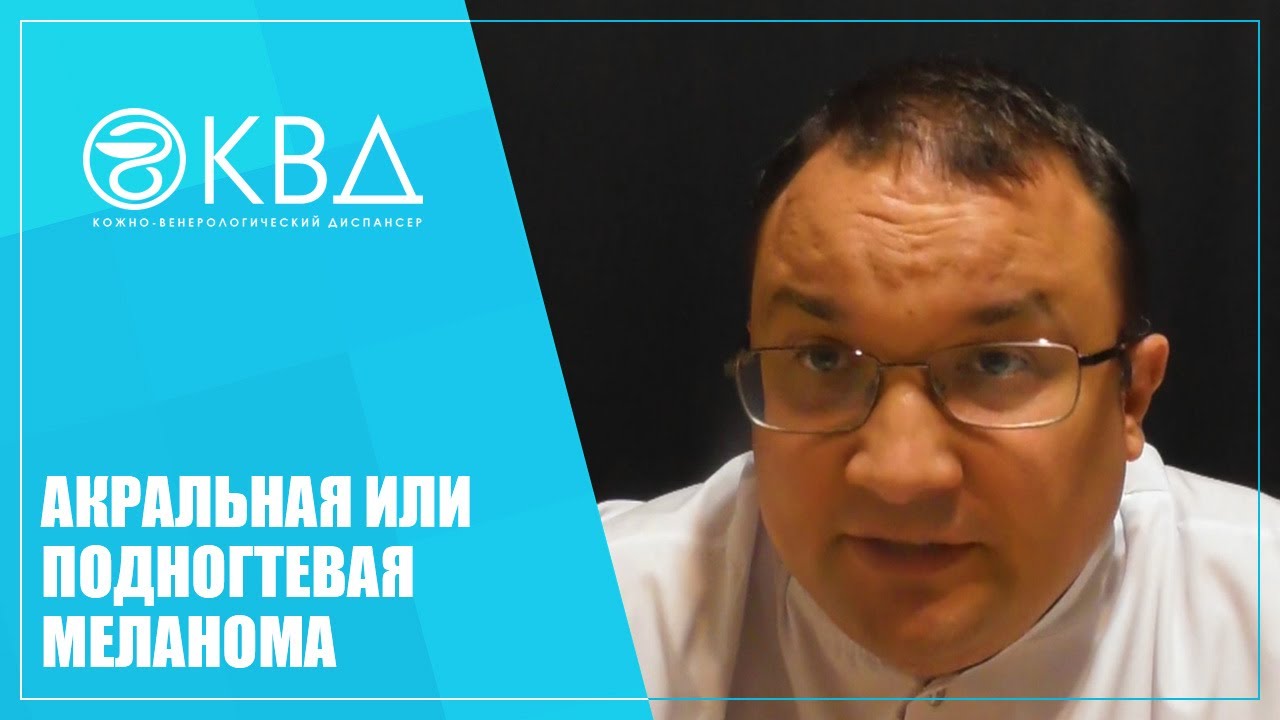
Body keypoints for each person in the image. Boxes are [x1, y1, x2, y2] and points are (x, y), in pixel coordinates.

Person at [599, 58, 1278, 720]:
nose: (901, 476)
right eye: (822, 359)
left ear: (1130, 396)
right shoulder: (593, 614)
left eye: (997, 363)